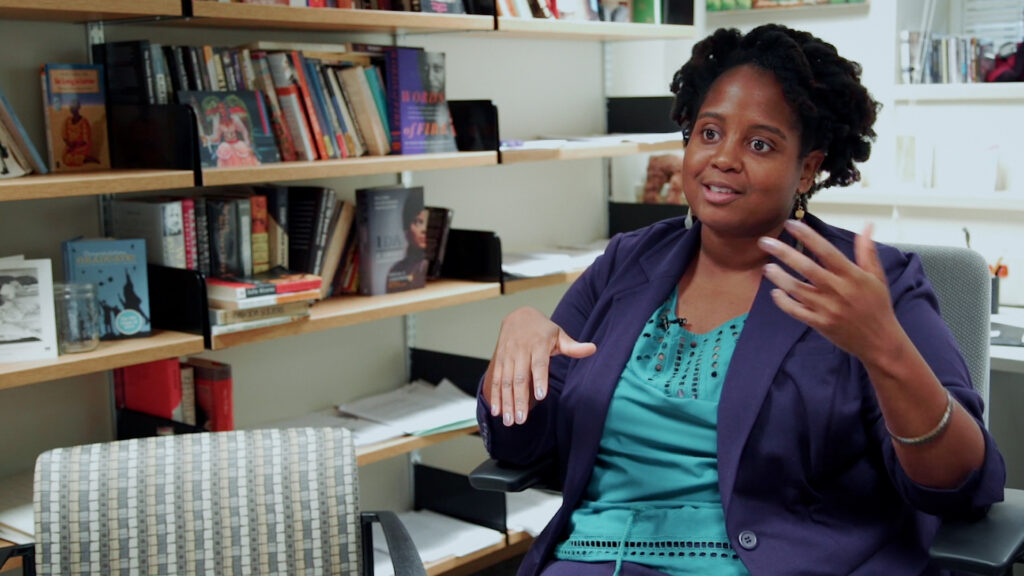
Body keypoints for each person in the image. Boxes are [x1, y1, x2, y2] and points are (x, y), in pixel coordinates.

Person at [478, 24, 1006, 576]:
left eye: (760, 144)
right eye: (708, 133)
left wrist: (886, 353)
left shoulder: (871, 283)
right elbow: (523, 447)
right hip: (588, 560)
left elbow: (963, 483)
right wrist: (518, 343)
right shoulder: (628, 263)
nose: (723, 158)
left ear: (807, 167)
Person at [386, 198, 428, 292]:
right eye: (418, 222)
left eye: (427, 222)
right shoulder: (396, 269)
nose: (424, 230)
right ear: (406, 229)